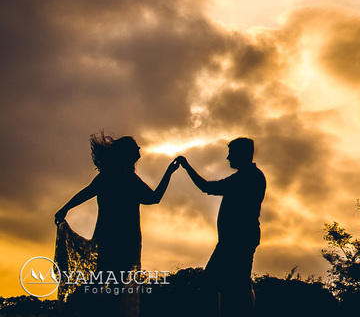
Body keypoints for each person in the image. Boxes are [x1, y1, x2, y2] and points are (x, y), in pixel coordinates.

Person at [55, 133, 180, 315]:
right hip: (113, 237)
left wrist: (169, 172)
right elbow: (88, 192)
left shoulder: (131, 177)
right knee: (104, 278)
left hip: (129, 238)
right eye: (135, 147)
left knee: (115, 281)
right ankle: (74, 307)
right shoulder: (111, 175)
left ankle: (84, 308)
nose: (139, 149)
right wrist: (65, 208)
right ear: (127, 152)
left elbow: (153, 198)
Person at [176, 138, 266, 317]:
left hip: (236, 240)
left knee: (218, 283)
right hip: (237, 239)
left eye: (231, 153)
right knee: (234, 284)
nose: (228, 158)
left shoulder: (247, 177)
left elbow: (207, 187)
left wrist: (187, 167)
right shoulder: (249, 176)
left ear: (243, 154)